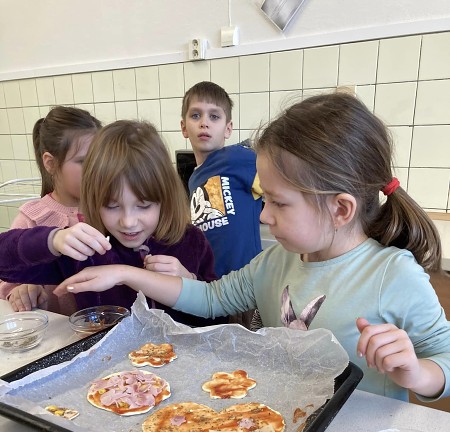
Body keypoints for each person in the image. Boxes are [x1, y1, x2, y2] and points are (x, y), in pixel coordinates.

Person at [39, 93, 450, 402]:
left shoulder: (392, 274)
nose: (262, 215)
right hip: (283, 420)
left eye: (277, 202)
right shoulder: (276, 262)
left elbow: (444, 360)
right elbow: (210, 296)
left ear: (340, 208)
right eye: (262, 198)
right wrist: (126, 273)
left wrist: (416, 373)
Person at [0, 119, 219, 327]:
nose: (128, 222)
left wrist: (190, 283)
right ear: (94, 201)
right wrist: (53, 239)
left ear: (165, 198)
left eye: (143, 206)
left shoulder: (191, 241)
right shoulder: (86, 249)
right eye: (112, 206)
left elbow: (219, 319)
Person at [0, 106, 101, 315]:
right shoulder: (32, 219)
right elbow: (8, 278)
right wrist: (21, 290)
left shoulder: (113, 210)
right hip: (62, 337)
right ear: (51, 163)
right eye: (84, 162)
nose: (97, 170)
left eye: (101, 160)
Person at [181, 81, 263, 278]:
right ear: (184, 128)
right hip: (210, 287)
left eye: (214, 116)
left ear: (228, 129)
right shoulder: (194, 178)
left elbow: (284, 184)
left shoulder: (239, 158)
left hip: (244, 285)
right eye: (195, 115)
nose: (204, 122)